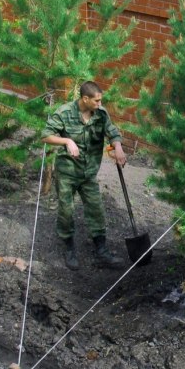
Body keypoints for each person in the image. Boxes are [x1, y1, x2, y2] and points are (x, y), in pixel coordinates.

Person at [41, 81, 127, 271]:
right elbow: (45, 135)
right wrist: (66, 140)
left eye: (100, 100)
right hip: (67, 173)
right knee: (66, 211)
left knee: (96, 209)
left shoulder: (101, 114)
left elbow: (112, 132)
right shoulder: (64, 113)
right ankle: (69, 248)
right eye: (96, 100)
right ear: (85, 99)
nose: (99, 103)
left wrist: (118, 148)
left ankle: (102, 250)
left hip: (89, 173)